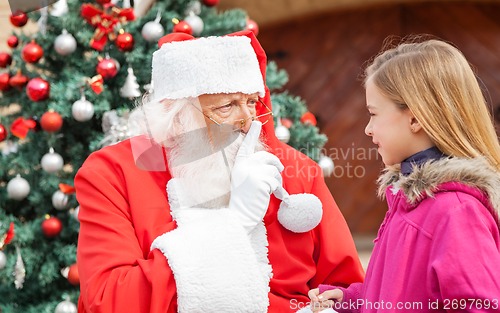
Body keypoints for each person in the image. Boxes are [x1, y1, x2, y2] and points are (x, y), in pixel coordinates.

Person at [75, 30, 364, 313]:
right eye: (227, 106)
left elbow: (346, 291)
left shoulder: (296, 171)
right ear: (176, 116)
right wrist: (233, 224)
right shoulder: (113, 173)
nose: (248, 120)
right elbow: (110, 299)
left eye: (252, 102)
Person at [308, 38, 500, 313]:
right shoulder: (410, 203)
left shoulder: (456, 211)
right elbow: (407, 294)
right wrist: (353, 299)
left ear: (415, 118)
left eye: (373, 114)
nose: (368, 129)